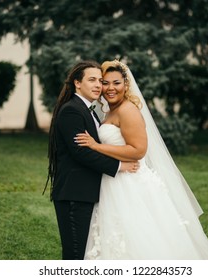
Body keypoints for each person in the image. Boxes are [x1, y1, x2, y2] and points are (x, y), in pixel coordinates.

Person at [75, 59, 208, 259]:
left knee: (139, 236)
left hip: (130, 183)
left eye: (116, 83)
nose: (109, 88)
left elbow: (138, 150)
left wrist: (96, 146)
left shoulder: (127, 110)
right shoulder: (110, 111)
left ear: (126, 85)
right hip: (114, 180)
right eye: (105, 82)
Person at [45, 60, 139, 260]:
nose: (98, 85)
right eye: (92, 80)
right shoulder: (72, 110)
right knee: (75, 255)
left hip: (86, 193)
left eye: (101, 81)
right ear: (77, 83)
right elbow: (82, 153)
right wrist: (120, 166)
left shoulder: (92, 110)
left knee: (86, 253)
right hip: (74, 194)